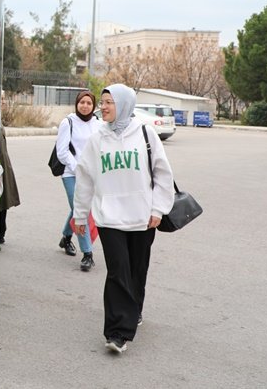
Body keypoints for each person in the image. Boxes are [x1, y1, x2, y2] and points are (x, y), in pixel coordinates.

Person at [72, 84, 174, 354]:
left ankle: (134, 308)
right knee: (118, 271)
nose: (103, 107)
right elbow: (84, 179)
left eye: (109, 102)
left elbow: (163, 174)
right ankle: (118, 332)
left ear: (124, 104)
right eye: (103, 102)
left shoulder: (145, 133)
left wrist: (158, 209)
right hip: (109, 217)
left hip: (142, 217)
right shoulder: (97, 138)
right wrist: (80, 215)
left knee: (137, 270)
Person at [55, 90, 103, 271]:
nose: (85, 106)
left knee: (79, 207)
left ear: (93, 105)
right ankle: (87, 254)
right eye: (82, 102)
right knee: (79, 209)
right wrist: (78, 169)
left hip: (92, 174)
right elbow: (62, 151)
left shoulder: (99, 124)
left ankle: (66, 237)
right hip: (71, 172)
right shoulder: (68, 122)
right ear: (77, 104)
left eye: (89, 103)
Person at [0, 126, 20, 245]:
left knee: (1, 198)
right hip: (0, 163)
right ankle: (0, 232)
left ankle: (0, 232)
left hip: (0, 163)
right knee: (2, 198)